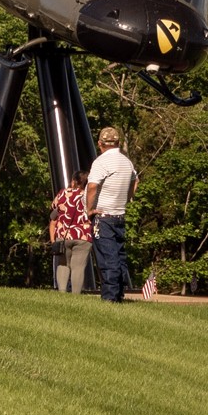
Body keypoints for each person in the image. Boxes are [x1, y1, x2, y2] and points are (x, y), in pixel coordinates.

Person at [84, 126, 138, 303]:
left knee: (108, 260)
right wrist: (126, 198)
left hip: (103, 216)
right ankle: (119, 295)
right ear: (118, 143)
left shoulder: (101, 162)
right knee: (119, 257)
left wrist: (90, 209)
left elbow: (92, 186)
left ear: (100, 144)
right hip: (119, 215)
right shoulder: (126, 162)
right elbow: (135, 181)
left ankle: (110, 299)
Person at [49, 170, 92, 293]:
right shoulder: (90, 195)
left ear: (74, 181)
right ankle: (75, 295)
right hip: (83, 236)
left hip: (63, 235)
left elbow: (53, 210)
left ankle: (62, 293)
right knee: (78, 268)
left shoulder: (64, 193)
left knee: (63, 264)